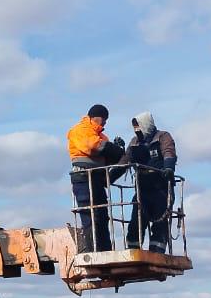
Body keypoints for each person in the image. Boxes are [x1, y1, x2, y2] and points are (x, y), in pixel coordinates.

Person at [67, 104, 126, 252]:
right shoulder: (80, 130)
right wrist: (112, 149)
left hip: (97, 178)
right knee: (90, 216)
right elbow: (94, 147)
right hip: (83, 178)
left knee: (101, 215)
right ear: (97, 117)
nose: (105, 123)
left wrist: (118, 151)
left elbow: (106, 157)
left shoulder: (100, 135)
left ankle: (105, 250)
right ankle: (93, 251)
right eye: (104, 120)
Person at [123, 111, 177, 253]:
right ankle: (132, 251)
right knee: (136, 221)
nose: (136, 129)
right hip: (143, 189)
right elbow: (125, 161)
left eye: (138, 126)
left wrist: (169, 168)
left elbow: (169, 152)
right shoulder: (134, 142)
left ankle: (157, 252)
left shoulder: (162, 137)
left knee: (160, 223)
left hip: (161, 187)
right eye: (134, 127)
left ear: (146, 124)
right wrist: (109, 177)